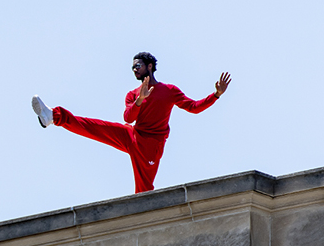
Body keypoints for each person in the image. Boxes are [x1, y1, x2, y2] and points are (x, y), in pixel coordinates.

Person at [32, 52, 231, 193]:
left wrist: (216, 95)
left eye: (138, 66)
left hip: (151, 145)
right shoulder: (133, 94)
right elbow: (128, 118)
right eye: (133, 67)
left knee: (144, 190)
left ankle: (143, 220)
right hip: (133, 134)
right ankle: (54, 116)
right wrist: (140, 100)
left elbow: (194, 107)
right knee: (95, 126)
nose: (134, 70)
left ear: (150, 67)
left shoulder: (169, 90)